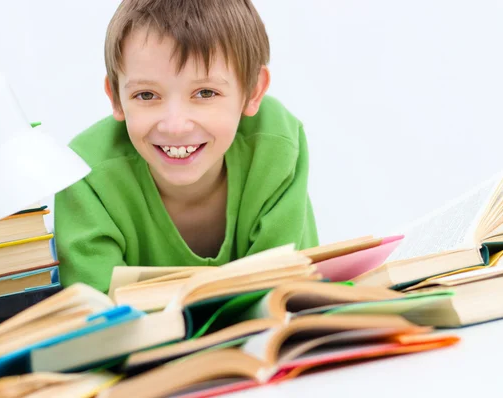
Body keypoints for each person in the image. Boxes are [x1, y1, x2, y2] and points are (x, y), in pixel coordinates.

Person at [54, 0, 319, 293]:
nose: (175, 126)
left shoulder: (276, 146)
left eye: (205, 92)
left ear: (253, 91)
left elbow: (290, 291)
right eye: (146, 95)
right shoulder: (83, 175)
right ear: (116, 97)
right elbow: (96, 317)